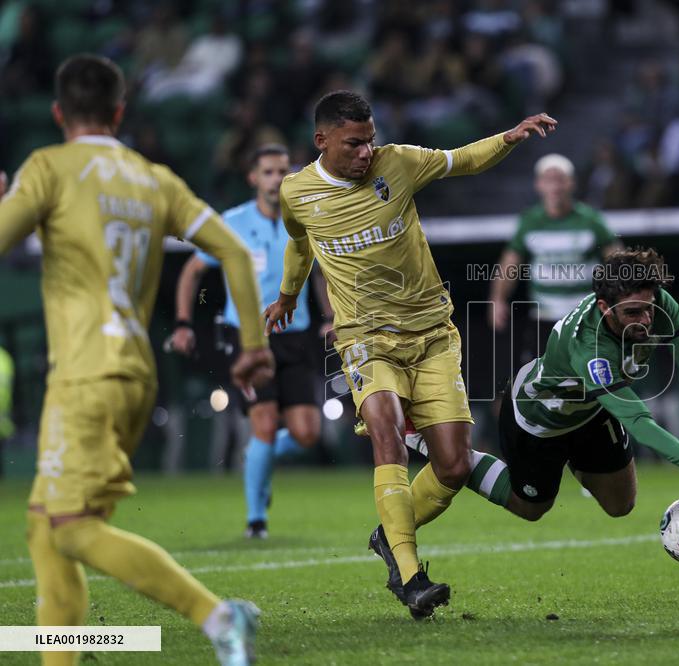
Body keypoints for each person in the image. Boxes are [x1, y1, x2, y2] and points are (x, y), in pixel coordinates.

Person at [0, 54, 275, 664]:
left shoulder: (48, 167)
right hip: (133, 369)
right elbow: (232, 251)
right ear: (119, 113)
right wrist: (254, 347)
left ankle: (219, 617)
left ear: (57, 113)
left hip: (84, 374)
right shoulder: (154, 178)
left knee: (71, 527)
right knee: (45, 526)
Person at [263, 90, 557, 619]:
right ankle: (410, 572)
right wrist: (288, 293)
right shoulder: (298, 191)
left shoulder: (395, 162)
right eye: (354, 144)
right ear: (322, 140)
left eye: (369, 140)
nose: (365, 153)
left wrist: (509, 139)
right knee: (387, 433)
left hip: (432, 335)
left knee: (451, 464)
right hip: (364, 337)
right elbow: (300, 243)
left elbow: (461, 159)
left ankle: (390, 535)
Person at [414, 247, 679, 523]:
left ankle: (578, 459)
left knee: (620, 505)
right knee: (531, 508)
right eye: (633, 312)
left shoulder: (657, 305)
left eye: (650, 308)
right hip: (540, 418)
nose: (646, 319)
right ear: (604, 308)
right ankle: (450, 452)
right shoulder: (588, 347)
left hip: (593, 410)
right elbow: (638, 420)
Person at [167, 144, 334, 539]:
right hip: (246, 338)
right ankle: (256, 520)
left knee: (307, 433)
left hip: (294, 335)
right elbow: (192, 272)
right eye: (269, 172)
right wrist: (183, 323)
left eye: (282, 171)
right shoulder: (233, 223)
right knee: (263, 423)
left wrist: (329, 317)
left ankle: (256, 461)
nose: (276, 179)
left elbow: (320, 274)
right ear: (253, 179)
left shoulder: (304, 220)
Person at [489, 153, 622, 382]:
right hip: (545, 320)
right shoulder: (530, 221)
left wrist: (620, 302)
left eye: (560, 179)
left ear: (571, 183)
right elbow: (510, 264)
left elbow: (617, 263)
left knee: (593, 382)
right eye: (548, 179)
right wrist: (497, 300)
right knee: (545, 384)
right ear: (538, 185)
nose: (555, 186)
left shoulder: (590, 220)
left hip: (586, 319)